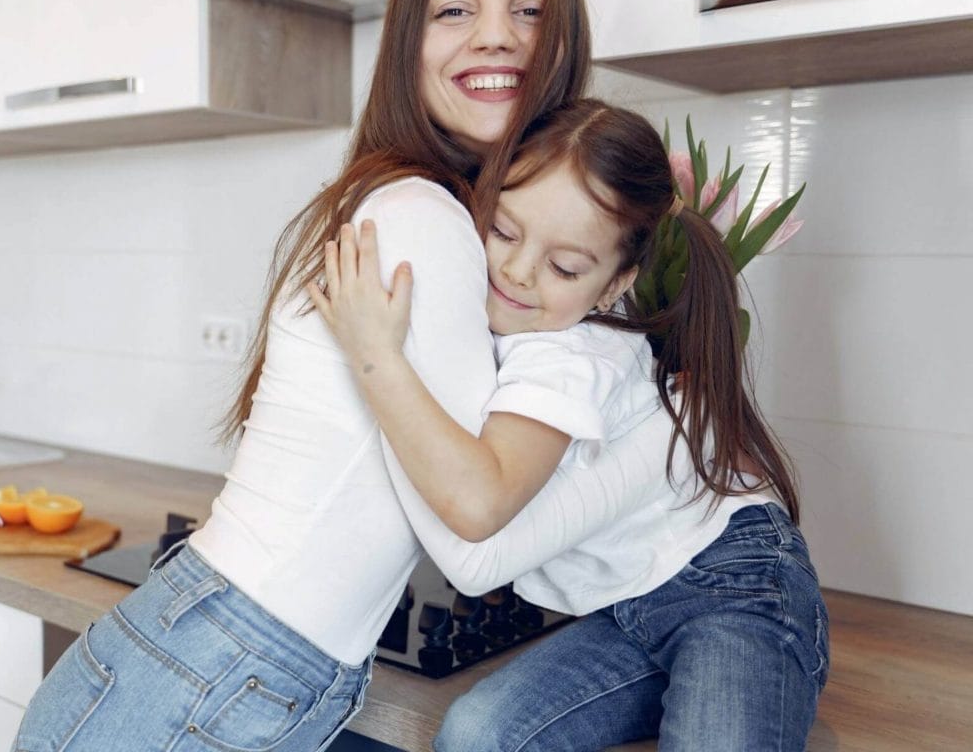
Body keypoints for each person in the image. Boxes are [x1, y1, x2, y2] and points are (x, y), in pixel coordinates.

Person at [10, 0, 621, 749]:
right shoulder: (422, 219)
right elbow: (477, 524)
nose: (497, 37)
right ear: (409, 42)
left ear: (564, 36)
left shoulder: (425, 209)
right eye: (455, 10)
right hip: (210, 677)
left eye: (530, 10)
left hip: (210, 664)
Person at [308, 100, 829, 751]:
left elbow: (476, 508)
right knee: (476, 735)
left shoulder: (570, 355)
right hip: (625, 607)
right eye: (502, 231)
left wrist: (376, 353)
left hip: (736, 587)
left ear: (615, 285)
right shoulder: (496, 335)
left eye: (565, 268)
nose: (519, 271)